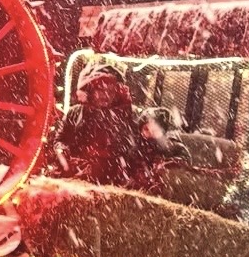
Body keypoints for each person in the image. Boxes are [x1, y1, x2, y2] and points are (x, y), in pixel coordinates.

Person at [50, 59, 186, 189]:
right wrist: (62, 151)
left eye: (110, 91)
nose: (105, 95)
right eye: (101, 90)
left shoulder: (128, 115)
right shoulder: (75, 113)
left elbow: (159, 134)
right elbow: (60, 140)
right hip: (76, 178)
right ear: (89, 89)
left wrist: (174, 155)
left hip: (115, 181)